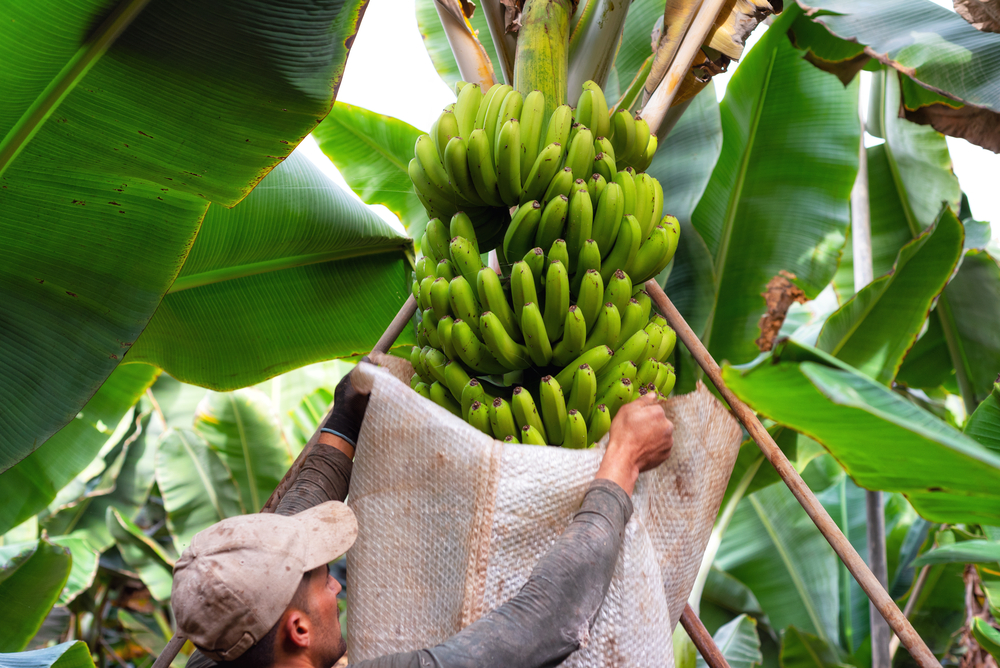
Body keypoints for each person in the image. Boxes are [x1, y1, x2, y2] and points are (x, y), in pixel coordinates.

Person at [170, 359, 674, 668]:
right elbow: (543, 625)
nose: (336, 587)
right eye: (324, 581)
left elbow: (287, 526)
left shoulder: (221, 649)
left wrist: (344, 417)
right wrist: (622, 460)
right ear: (297, 631)